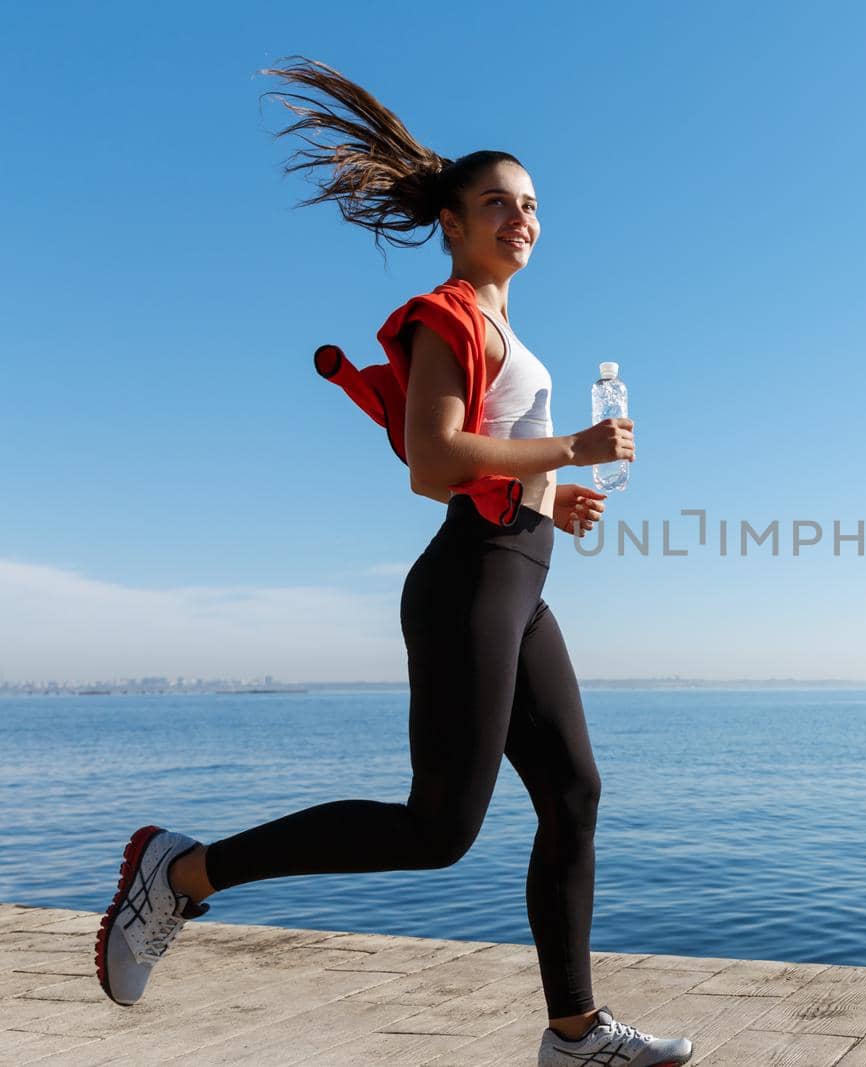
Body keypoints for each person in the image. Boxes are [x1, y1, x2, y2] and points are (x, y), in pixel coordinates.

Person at [93, 55, 693, 1067]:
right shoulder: (447, 313)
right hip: (470, 579)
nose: (523, 218)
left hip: (520, 575)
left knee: (574, 795)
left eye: (534, 204)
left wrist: (554, 494)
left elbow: (488, 463)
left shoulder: (506, 326)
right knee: (438, 827)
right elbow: (432, 463)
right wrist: (571, 449)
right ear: (451, 222)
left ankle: (573, 1032)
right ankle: (179, 872)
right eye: (498, 202)